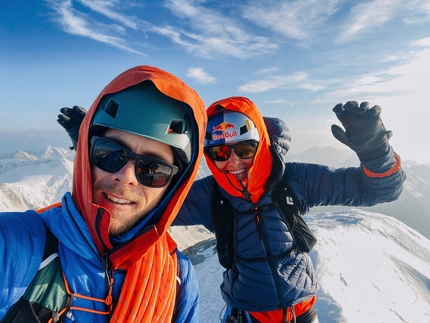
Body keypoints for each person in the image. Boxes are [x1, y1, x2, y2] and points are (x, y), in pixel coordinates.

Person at [58, 97, 406, 323]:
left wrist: (376, 151)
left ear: (262, 144)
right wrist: (98, 150)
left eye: (245, 149)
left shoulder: (293, 179)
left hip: (303, 312)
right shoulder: (210, 195)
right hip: (247, 316)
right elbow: (139, 203)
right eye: (221, 154)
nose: (234, 163)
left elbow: (376, 188)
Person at [0, 65, 207, 323]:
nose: (126, 176)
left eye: (153, 170)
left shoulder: (178, 280)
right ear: (86, 156)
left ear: (173, 186)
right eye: (109, 153)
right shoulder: (14, 245)